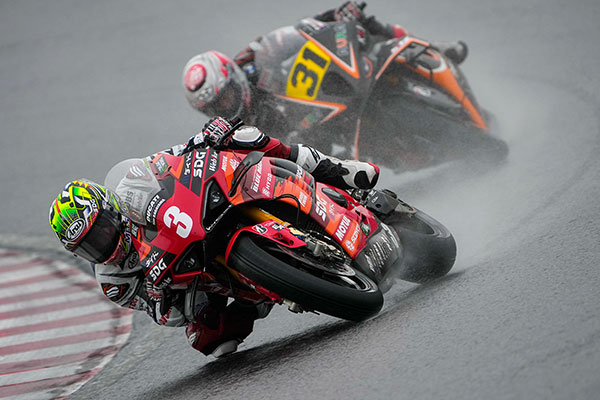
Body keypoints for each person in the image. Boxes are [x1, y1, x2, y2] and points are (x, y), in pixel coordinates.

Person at [49, 117, 379, 358]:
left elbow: (171, 158)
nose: (103, 244)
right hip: (193, 276)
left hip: (196, 217)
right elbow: (162, 315)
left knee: (245, 137)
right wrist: (159, 295)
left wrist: (208, 135)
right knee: (207, 339)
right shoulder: (113, 282)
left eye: (102, 230)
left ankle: (338, 170)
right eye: (90, 246)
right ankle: (266, 293)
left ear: (110, 209)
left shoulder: (130, 187)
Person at [182, 1, 468, 137]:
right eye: (216, 107)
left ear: (233, 78)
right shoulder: (235, 130)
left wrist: (335, 17)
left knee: (363, 25)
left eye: (226, 97)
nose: (226, 107)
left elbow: (297, 32)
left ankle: (434, 46)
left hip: (324, 91)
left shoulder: (253, 57)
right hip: (311, 135)